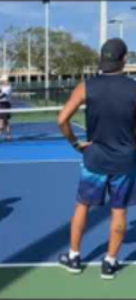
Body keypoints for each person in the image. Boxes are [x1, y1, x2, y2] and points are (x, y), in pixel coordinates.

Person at [57, 39, 136, 279]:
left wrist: (75, 144)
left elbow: (62, 120)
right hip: (125, 161)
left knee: (82, 207)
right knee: (119, 211)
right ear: (124, 60)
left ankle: (74, 257)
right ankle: (110, 263)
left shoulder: (86, 87)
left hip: (94, 159)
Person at [0, 75, 12, 142]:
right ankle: (9, 137)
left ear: (5, 81)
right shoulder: (2, 87)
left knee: (1, 122)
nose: (0, 82)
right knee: (6, 122)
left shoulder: (8, 87)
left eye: (2, 81)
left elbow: (3, 95)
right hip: (1, 104)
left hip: (5, 105)